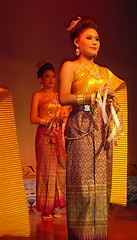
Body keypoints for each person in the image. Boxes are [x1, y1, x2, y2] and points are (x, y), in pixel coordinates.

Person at [59, 16, 127, 239]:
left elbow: (110, 99)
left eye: (97, 38)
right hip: (80, 129)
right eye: (89, 38)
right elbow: (63, 97)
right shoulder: (70, 66)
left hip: (101, 131)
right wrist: (90, 97)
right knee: (83, 187)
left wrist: (111, 102)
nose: (95, 42)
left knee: (100, 188)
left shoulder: (105, 72)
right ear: (77, 42)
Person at [30, 62, 69, 221]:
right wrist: (48, 120)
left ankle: (52, 206)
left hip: (58, 135)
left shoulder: (60, 96)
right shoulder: (37, 95)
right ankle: (45, 209)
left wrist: (61, 117)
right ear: (41, 79)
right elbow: (32, 118)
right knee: (46, 170)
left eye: (53, 76)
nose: (51, 79)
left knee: (58, 170)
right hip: (44, 135)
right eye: (47, 76)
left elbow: (65, 113)